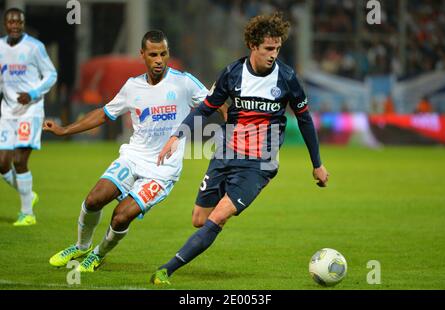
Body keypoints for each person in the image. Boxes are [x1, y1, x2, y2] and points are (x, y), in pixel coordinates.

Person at [151, 12, 329, 285]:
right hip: (226, 153)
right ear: (253, 46)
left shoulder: (287, 78)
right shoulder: (233, 73)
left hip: (260, 163)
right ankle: (223, 206)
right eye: (269, 48)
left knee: (219, 216)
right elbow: (206, 108)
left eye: (278, 48)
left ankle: (166, 269)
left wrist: (317, 164)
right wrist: (177, 136)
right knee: (200, 219)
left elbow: (304, 119)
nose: (274, 54)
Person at [45, 30, 209, 272]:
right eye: (153, 54)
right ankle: (82, 246)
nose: (159, 60)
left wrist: (232, 132)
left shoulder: (184, 83)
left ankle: (99, 254)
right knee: (93, 200)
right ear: (142, 54)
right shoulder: (132, 87)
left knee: (121, 216)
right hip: (133, 157)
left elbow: (215, 101)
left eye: (163, 54)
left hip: (162, 171)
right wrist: (64, 130)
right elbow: (104, 113)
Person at [0, 8, 57, 226]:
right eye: (11, 22)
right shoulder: (1, 47)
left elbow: (51, 74)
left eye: (19, 22)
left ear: (23, 24)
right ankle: (28, 193)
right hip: (8, 111)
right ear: (5, 24)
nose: (15, 26)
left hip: (30, 110)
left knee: (19, 160)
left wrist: (33, 93)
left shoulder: (35, 47)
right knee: (2, 164)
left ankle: (27, 213)